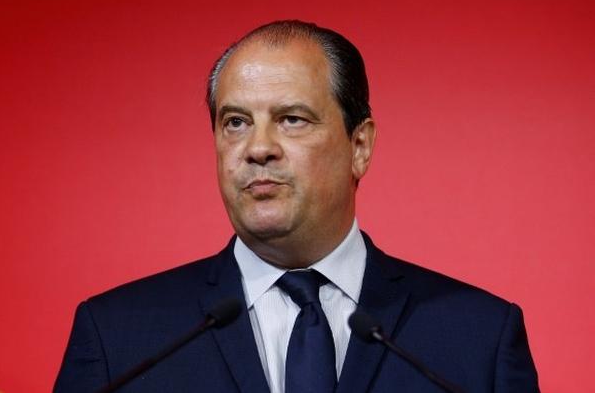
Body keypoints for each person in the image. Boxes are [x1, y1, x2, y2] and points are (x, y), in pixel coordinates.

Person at [53, 20, 539, 392]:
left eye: (291, 119)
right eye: (236, 122)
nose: (257, 148)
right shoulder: (121, 338)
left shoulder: (478, 338)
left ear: (360, 145)